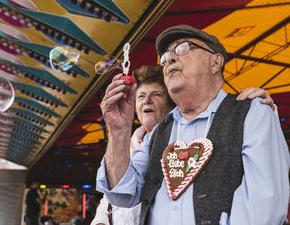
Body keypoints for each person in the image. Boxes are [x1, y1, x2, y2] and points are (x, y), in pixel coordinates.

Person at [96, 25, 289, 225]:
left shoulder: (252, 112)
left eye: (183, 48)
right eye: (165, 57)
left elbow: (264, 211)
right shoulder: (159, 133)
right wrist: (118, 131)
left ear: (215, 62)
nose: (169, 58)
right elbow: (123, 193)